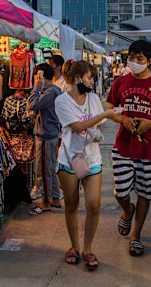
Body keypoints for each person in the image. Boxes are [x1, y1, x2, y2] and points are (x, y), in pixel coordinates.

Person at [106, 39, 151, 257]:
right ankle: (127, 211)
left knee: (145, 193)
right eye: (131, 57)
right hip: (123, 146)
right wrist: (123, 119)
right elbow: (110, 109)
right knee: (121, 191)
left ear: (150, 61)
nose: (134, 62)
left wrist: (150, 124)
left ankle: (136, 236)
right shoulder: (120, 82)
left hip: (148, 149)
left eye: (140, 59)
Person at [55, 60, 121, 271]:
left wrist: (96, 131)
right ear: (77, 78)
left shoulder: (93, 98)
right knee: (72, 205)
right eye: (90, 77)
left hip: (92, 159)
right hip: (69, 160)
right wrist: (106, 114)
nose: (92, 81)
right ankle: (74, 246)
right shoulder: (62, 101)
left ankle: (87, 248)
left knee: (93, 205)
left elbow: (94, 126)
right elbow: (77, 126)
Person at [27, 63, 63, 214]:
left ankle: (46, 202)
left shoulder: (50, 92)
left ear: (41, 75)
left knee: (43, 170)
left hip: (46, 135)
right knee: (49, 169)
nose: (35, 77)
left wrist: (36, 87)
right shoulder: (53, 90)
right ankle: (55, 198)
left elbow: (32, 104)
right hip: (50, 133)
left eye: (36, 75)